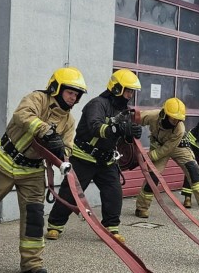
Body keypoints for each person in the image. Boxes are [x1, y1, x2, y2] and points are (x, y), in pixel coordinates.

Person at [0, 67, 84, 273]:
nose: (74, 97)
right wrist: (46, 131)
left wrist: (61, 152)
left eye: (77, 95)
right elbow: (22, 115)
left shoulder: (69, 121)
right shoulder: (37, 98)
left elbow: (68, 147)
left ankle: (32, 262)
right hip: (4, 161)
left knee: (34, 216)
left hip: (32, 170)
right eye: (70, 92)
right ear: (56, 88)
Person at [45, 69, 142, 244]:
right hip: (84, 158)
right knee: (70, 193)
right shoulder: (97, 104)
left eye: (132, 91)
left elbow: (122, 137)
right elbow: (95, 127)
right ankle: (54, 226)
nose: (130, 95)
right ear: (117, 88)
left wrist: (130, 133)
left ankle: (111, 228)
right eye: (128, 90)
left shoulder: (125, 111)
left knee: (113, 193)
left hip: (107, 160)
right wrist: (117, 128)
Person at [134, 98, 199, 219]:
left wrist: (150, 156)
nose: (176, 121)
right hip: (159, 145)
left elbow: (168, 149)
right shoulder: (153, 116)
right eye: (173, 118)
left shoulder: (180, 128)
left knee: (193, 170)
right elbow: (136, 119)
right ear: (165, 114)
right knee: (152, 177)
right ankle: (141, 208)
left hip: (179, 146)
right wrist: (130, 128)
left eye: (179, 119)